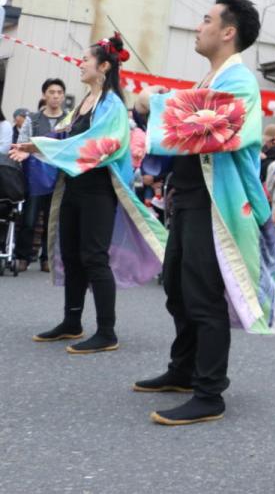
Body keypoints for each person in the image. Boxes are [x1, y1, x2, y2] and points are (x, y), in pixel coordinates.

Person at [133, 0, 275, 427]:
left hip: (218, 202)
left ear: (228, 31)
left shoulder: (239, 82)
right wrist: (156, 104)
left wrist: (152, 103)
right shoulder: (210, 79)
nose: (199, 27)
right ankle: (183, 368)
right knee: (177, 286)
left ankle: (209, 390)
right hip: (191, 196)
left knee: (202, 293)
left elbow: (209, 126)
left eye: (205, 19)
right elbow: (180, 122)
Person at [10, 34, 167, 353]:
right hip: (74, 186)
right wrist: (34, 147)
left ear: (104, 66)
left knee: (94, 257)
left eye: (85, 59)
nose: (80, 64)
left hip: (98, 189)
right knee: (71, 254)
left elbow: (100, 145)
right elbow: (61, 134)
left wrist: (43, 147)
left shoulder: (112, 105)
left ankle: (107, 331)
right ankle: (72, 322)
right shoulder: (84, 102)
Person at [16, 78, 68, 272]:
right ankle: (23, 256)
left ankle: (47, 259)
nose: (55, 96)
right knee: (29, 219)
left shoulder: (69, 120)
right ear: (44, 95)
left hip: (59, 176)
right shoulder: (33, 119)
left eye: (59, 93)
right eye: (51, 92)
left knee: (52, 220)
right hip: (35, 176)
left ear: (63, 96)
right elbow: (22, 142)